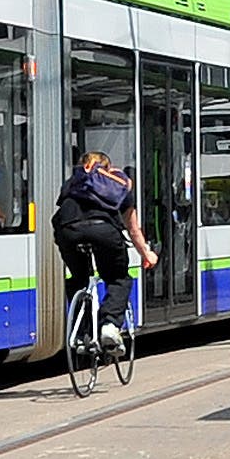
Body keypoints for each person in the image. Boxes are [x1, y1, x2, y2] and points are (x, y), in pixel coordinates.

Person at [54, 143, 150, 339]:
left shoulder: (72, 183)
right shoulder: (116, 186)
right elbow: (133, 229)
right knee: (118, 278)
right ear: (108, 168)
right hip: (104, 231)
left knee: (78, 279)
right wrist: (146, 253)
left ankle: (82, 334)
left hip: (67, 231)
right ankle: (110, 325)